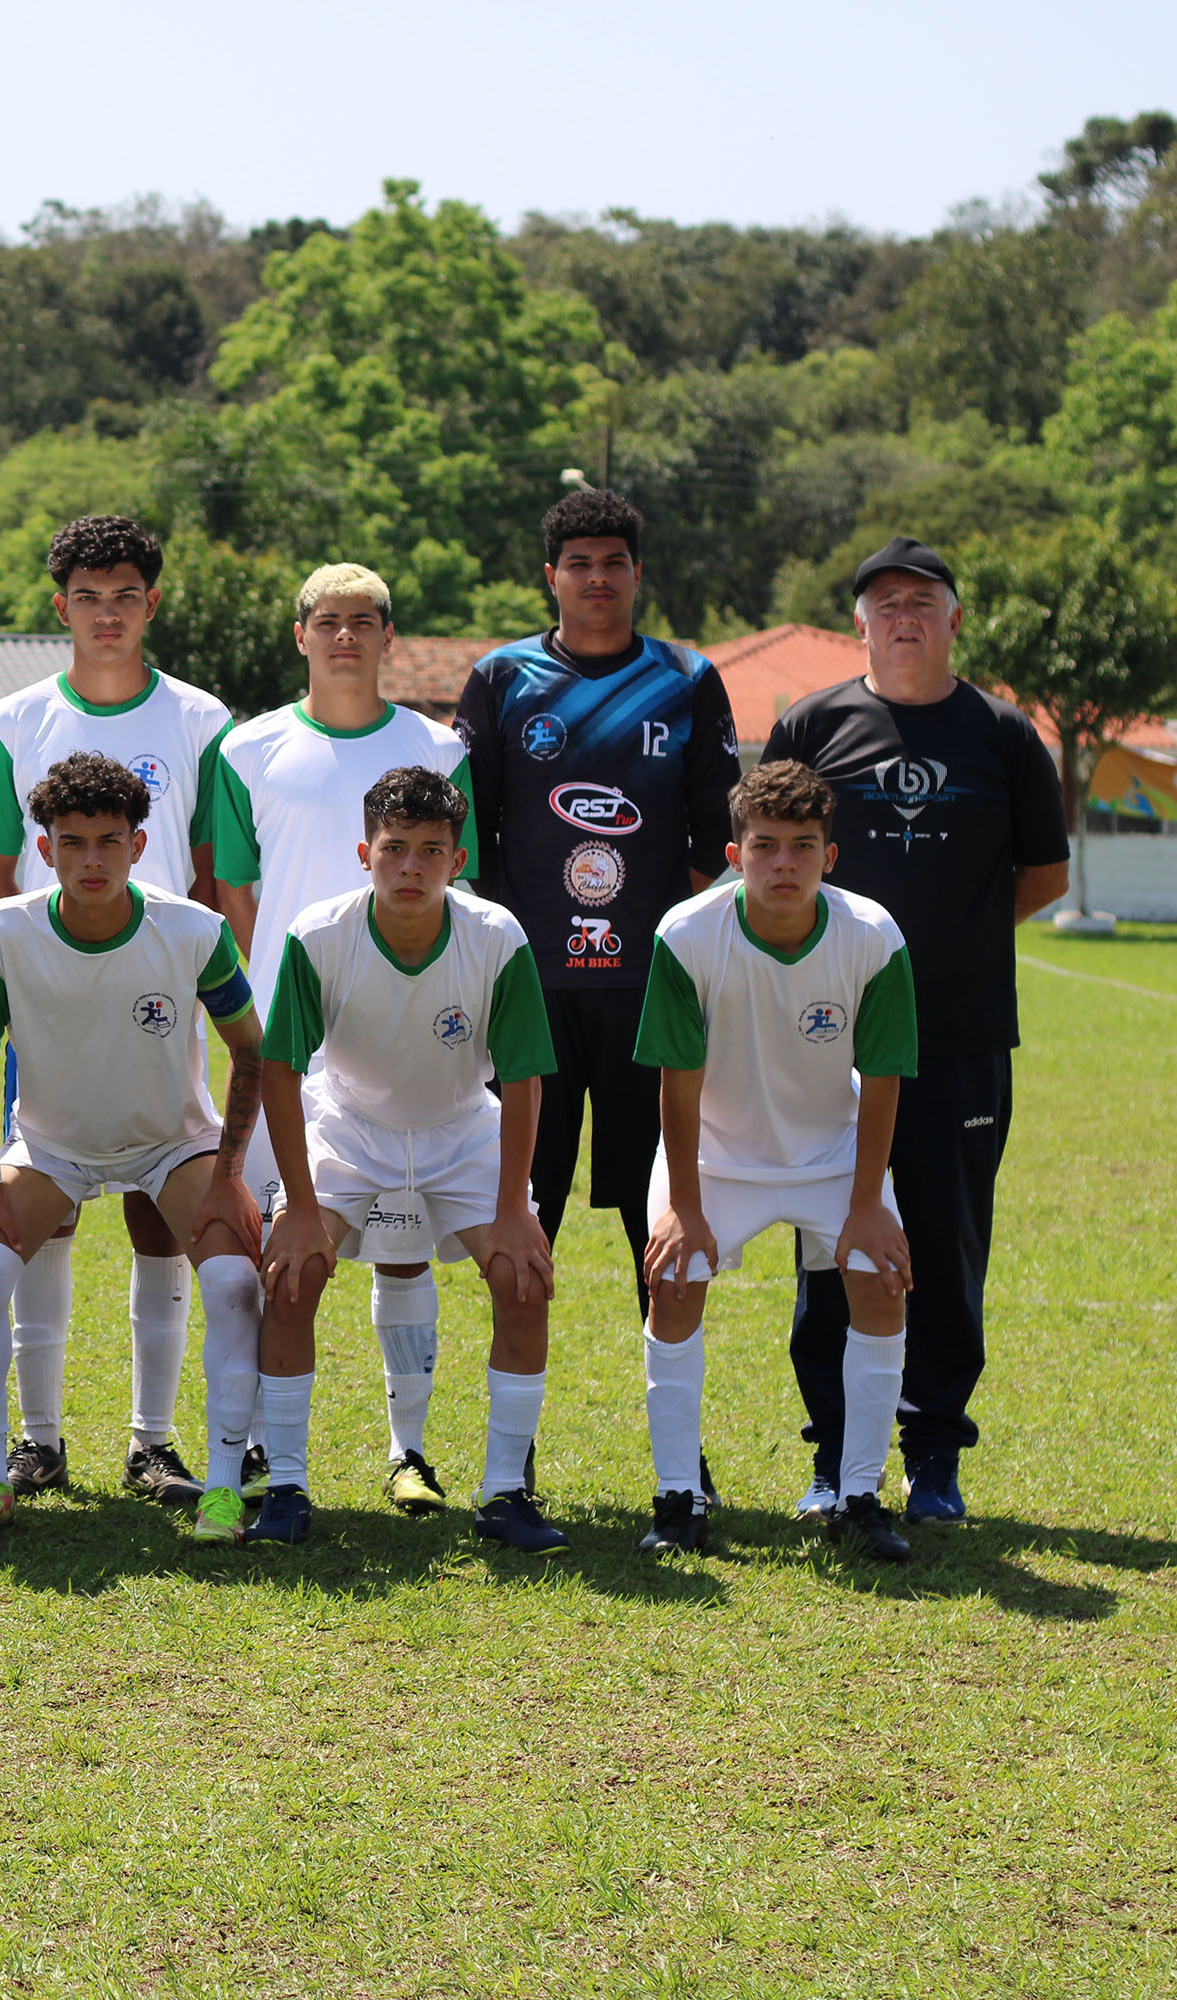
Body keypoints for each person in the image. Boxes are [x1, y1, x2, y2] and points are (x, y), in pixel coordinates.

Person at [760, 538, 1070, 1524]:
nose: (902, 614)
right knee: (826, 1245)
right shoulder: (811, 722)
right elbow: (773, 854)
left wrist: (947, 943)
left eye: (922, 600)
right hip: (826, 1038)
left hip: (960, 1032)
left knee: (943, 1240)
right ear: (859, 620)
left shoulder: (1006, 734)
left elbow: (1045, 873)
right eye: (883, 600)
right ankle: (834, 1456)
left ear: (953, 619)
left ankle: (933, 1455)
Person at [0, 515, 233, 1506]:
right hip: (52, 1001)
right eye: (88, 595)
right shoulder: (15, 719)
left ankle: (152, 1443)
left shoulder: (204, 721)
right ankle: (38, 1440)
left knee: (165, 1221)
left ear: (151, 602)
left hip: (162, 994)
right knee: (50, 1211)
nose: (107, 612)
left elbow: (219, 869)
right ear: (61, 604)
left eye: (126, 594)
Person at [0, 753, 267, 1541]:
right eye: (73, 841)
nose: (92, 859)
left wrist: (227, 1175)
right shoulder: (2, 931)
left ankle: (220, 1485)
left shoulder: (195, 929)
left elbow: (252, 1051)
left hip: (171, 1144)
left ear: (139, 845)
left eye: (110, 841)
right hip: (53, 1145)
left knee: (231, 1284)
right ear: (44, 848)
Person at [212, 563, 480, 1515]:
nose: (344, 638)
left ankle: (409, 1451)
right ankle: (256, 1448)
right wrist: (254, 1022)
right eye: (327, 622)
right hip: (294, 1035)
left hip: (409, 1028)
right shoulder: (247, 749)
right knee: (280, 1245)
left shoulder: (439, 749)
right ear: (301, 636)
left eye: (364, 623)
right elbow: (236, 896)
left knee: (404, 1248)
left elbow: (467, 891)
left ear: (388, 637)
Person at [249, 767, 568, 1554]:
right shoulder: (318, 934)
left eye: (432, 851)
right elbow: (282, 1070)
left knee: (524, 1282)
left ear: (458, 862)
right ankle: (286, 1483)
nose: (411, 868)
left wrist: (511, 1211)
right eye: (395, 849)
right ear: (366, 852)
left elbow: (524, 1079)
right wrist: (294, 1202)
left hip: (462, 1129)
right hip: (351, 1127)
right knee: (291, 1277)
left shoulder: (498, 938)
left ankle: (503, 1492)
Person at [452, 489, 735, 1321]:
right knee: (522, 1216)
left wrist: (656, 927)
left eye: (614, 563)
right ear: (552, 577)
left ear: (638, 573)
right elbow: (473, 832)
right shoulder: (504, 678)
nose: (597, 578)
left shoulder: (687, 679)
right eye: (580, 564)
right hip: (531, 991)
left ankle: (676, 1445)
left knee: (657, 1220)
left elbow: (715, 835)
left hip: (648, 992)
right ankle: (518, 1446)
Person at [628, 761, 919, 1564]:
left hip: (834, 1154)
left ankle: (859, 1496)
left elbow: (885, 1077)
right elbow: (677, 1087)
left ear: (830, 857)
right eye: (765, 846)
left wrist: (867, 1206)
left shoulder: (872, 935)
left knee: (878, 1277)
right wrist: (684, 1208)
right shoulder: (686, 934)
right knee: (676, 1281)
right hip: (717, 1154)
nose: (783, 864)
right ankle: (678, 1497)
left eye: (802, 846)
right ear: (735, 853)